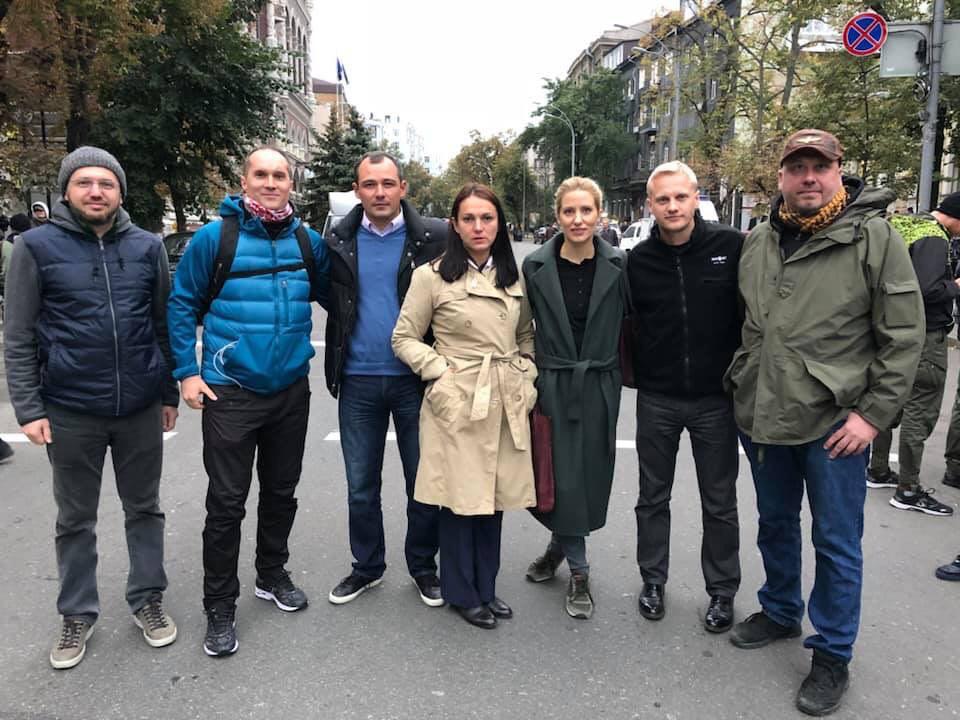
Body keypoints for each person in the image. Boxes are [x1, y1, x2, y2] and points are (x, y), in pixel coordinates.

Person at [726, 129, 924, 716]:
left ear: (839, 170)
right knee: (775, 522)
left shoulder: (874, 238)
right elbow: (746, 322)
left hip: (837, 422)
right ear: (781, 176)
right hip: (764, 411)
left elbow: (903, 336)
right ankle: (781, 610)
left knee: (836, 541)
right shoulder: (760, 239)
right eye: (797, 167)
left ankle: (833, 652)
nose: (808, 177)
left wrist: (872, 417)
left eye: (820, 166)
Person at [3, 146, 180, 669]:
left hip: (139, 406)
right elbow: (18, 334)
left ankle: (147, 599)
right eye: (84, 183)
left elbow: (162, 326)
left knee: (144, 509)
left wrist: (168, 393)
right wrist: (29, 408)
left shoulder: (147, 246)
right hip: (70, 408)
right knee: (75, 518)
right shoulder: (35, 247)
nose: (96, 192)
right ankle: (77, 612)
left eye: (106, 183)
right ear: (67, 191)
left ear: (120, 192)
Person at [167, 146, 330, 657]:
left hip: (290, 391)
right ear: (244, 181)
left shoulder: (307, 241)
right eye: (261, 174)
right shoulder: (215, 239)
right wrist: (187, 373)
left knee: (282, 492)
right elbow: (181, 304)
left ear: (291, 183)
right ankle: (220, 605)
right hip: (231, 391)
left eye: (279, 175)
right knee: (226, 504)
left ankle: (271, 573)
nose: (271, 182)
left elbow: (340, 297)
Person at [392, 183, 536, 629]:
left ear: (499, 224)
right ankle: (461, 592)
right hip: (458, 399)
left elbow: (525, 335)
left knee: (493, 498)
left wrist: (526, 374)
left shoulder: (513, 275)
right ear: (454, 225)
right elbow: (404, 338)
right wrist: (440, 373)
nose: (478, 227)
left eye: (487, 218)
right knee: (459, 501)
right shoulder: (431, 276)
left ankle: (486, 587)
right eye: (469, 218)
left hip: (504, 396)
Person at [323, 151, 446, 607]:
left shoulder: (434, 238)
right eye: (370, 184)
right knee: (360, 488)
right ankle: (367, 566)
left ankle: (423, 567)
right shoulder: (337, 239)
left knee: (423, 484)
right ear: (357, 190)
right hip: (357, 379)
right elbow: (328, 297)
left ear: (403, 188)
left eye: (388, 183)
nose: (379, 192)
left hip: (417, 381)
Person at [626, 161, 743, 633]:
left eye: (680, 197)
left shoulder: (731, 247)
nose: (672, 206)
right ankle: (653, 580)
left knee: (720, 502)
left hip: (717, 399)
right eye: (663, 199)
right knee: (652, 497)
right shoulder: (638, 260)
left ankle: (723, 591)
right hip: (658, 398)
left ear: (696, 198)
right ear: (650, 205)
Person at [521, 177, 626, 620]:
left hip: (600, 382)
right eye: (569, 211)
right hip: (553, 381)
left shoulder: (620, 263)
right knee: (558, 476)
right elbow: (521, 326)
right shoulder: (535, 265)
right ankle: (579, 570)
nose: (578, 219)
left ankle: (557, 549)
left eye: (586, 211)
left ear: (600, 214)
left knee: (588, 476)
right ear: (558, 215)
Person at [866, 199, 959, 517]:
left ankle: (878, 469)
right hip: (925, 334)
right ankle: (908, 489)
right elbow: (927, 290)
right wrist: (956, 285)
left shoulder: (905, 226)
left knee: (890, 401)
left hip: (893, 329)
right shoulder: (934, 238)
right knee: (920, 410)